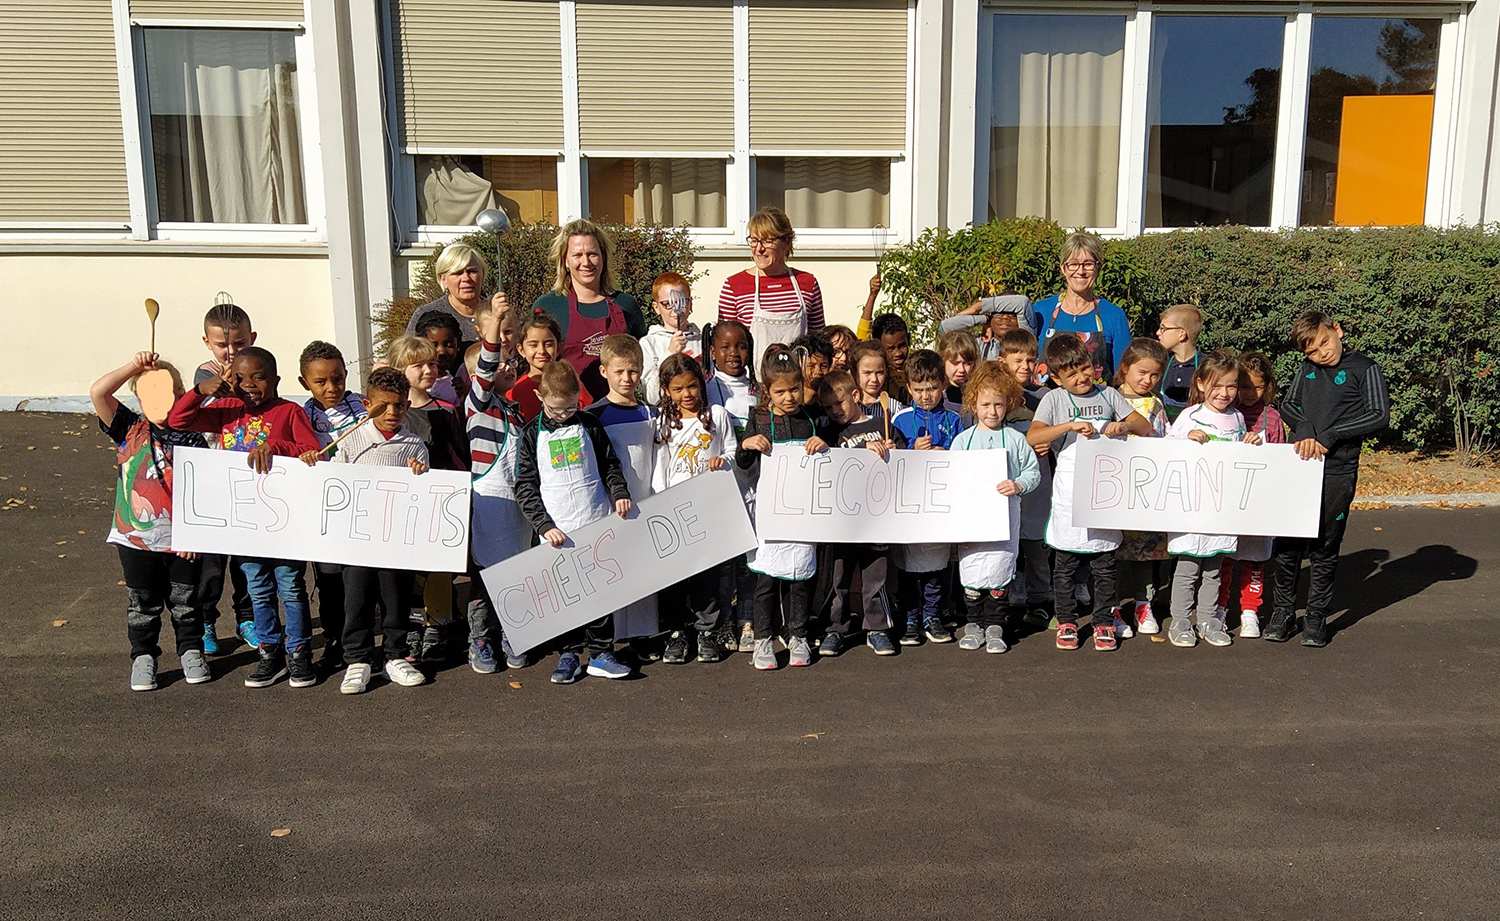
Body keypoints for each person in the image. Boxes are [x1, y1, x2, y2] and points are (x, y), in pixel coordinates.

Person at [167, 346, 322, 686]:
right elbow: (177, 420)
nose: (249, 384)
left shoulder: (289, 412)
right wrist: (200, 391)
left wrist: (277, 448)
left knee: (292, 588)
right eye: (239, 377)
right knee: (258, 589)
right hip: (243, 523)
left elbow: (313, 453)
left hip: (284, 521)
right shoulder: (225, 409)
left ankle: (299, 653)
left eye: (259, 377)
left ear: (276, 380)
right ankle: (270, 652)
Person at [298, 367, 430, 694]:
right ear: (368, 404)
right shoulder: (351, 440)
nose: (391, 413)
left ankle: (395, 655)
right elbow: (333, 485)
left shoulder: (414, 445)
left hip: (394, 541)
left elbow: (423, 491)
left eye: (399, 405)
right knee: (356, 598)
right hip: (357, 541)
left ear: (408, 405)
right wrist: (316, 463)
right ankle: (357, 658)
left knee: (395, 597)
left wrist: (420, 474)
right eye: (382, 406)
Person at [1265, 311, 1389, 648]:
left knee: (1324, 545)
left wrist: (1330, 437)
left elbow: (1378, 414)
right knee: (1288, 544)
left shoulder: (1365, 367)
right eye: (1313, 351)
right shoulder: (1307, 370)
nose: (1322, 353)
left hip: (1337, 468)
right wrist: (1304, 430)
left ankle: (1316, 616)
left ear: (1337, 330)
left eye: (1324, 342)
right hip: (1300, 466)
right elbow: (1289, 404)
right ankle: (1283, 613)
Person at [92, 351, 210, 691]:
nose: (161, 401)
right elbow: (99, 392)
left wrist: (195, 536)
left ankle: (191, 650)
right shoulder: (129, 428)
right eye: (150, 392)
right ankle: (144, 657)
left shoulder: (193, 437)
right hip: (135, 540)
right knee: (143, 603)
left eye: (169, 392)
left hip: (182, 541)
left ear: (180, 394)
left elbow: (204, 491)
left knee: (186, 602)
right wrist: (134, 366)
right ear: (138, 397)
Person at [514, 360, 635, 684]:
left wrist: (619, 492)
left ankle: (601, 653)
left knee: (599, 589)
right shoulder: (529, 435)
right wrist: (543, 525)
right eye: (556, 409)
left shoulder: (590, 424)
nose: (564, 414)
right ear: (540, 396)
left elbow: (610, 464)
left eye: (570, 408)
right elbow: (524, 485)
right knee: (565, 594)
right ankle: (569, 653)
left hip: (593, 517)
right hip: (556, 529)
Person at [1026, 334, 1150, 652]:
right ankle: (1067, 619)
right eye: (1072, 374)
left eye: (1085, 369)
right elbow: (1034, 436)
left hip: (1105, 493)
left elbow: (1143, 426)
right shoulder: (1054, 400)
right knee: (1065, 565)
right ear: (1056, 378)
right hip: (1068, 493)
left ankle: (1103, 621)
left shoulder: (1109, 395)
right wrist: (1067, 426)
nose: (1082, 378)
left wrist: (1121, 426)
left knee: (1104, 564)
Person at [1164, 350, 1265, 648]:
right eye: (1217, 386)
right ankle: (1181, 620)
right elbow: (1168, 451)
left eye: (1231, 386)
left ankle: (1209, 620)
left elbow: (1239, 459)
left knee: (1214, 570)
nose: (1224, 393)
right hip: (1193, 509)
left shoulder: (1236, 418)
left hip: (1222, 509)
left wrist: (1251, 442)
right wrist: (1186, 439)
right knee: (1188, 569)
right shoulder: (1190, 416)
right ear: (1202, 383)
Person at [736, 346, 829, 670]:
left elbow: (828, 460)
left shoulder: (811, 419)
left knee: (800, 578)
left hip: (803, 516)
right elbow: (744, 461)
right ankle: (764, 638)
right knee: (767, 580)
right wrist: (747, 444)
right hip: (771, 515)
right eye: (780, 391)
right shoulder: (758, 419)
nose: (789, 397)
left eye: (794, 389)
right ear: (767, 391)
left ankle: (798, 634)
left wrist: (823, 444)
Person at [653, 353, 738, 664]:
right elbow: (660, 466)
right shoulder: (663, 422)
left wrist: (723, 461)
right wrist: (661, 503)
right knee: (676, 575)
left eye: (691, 387)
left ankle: (706, 631)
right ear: (666, 390)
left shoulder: (717, 415)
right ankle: (676, 631)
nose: (687, 394)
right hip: (674, 509)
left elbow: (730, 447)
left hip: (707, 508)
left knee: (706, 574)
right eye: (678, 389)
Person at [952, 363, 1042, 654]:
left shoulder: (1016, 440)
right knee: (973, 574)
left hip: (1004, 520)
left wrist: (1017, 485)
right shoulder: (962, 442)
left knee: (999, 571)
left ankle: (995, 625)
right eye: (986, 405)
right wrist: (956, 528)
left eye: (999, 405)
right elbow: (951, 483)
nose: (992, 412)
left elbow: (1032, 472)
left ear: (1009, 405)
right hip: (972, 522)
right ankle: (974, 624)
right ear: (973, 404)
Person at [815, 370, 904, 658]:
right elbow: (825, 460)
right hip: (843, 521)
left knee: (876, 574)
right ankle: (834, 629)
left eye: (838, 403)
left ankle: (877, 628)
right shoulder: (830, 433)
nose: (834, 411)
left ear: (855, 396)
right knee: (838, 575)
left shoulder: (882, 424)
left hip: (878, 518)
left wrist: (896, 449)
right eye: (828, 407)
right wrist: (822, 446)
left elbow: (906, 458)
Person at [463, 301, 530, 673]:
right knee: (486, 578)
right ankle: (480, 639)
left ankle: (514, 632)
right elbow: (487, 368)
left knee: (516, 574)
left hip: (517, 505)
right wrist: (496, 326)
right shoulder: (479, 405)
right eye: (498, 363)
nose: (506, 366)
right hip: (490, 501)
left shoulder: (514, 411)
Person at [586, 335, 659, 650]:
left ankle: (641, 634)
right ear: (604, 372)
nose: (627, 379)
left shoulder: (649, 413)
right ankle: (610, 638)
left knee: (643, 568)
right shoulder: (593, 416)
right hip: (610, 504)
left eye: (633, 371)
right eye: (619, 372)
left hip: (645, 498)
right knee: (614, 570)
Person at [194, 298, 258, 654]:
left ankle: (247, 618)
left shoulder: (257, 368)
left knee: (247, 561)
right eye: (223, 344)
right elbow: (215, 395)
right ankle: (205, 621)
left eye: (240, 343)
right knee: (212, 565)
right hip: (215, 478)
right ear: (207, 343)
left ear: (252, 338)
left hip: (249, 479)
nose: (232, 351)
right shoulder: (206, 373)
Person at [297, 340, 366, 671]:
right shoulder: (302, 416)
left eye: (337, 378)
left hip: (358, 505)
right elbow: (292, 449)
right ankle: (334, 639)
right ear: (304, 384)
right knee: (328, 581)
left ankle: (358, 644)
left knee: (358, 581)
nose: (331, 388)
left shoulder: (362, 408)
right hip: (322, 511)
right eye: (320, 382)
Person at [890, 350, 964, 647]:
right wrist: (911, 451)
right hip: (911, 504)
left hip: (940, 504)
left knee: (938, 561)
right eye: (918, 389)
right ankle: (910, 617)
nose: (925, 395)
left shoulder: (954, 419)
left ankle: (933, 614)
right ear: (908, 388)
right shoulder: (900, 418)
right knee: (910, 564)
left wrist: (947, 454)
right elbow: (891, 460)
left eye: (931, 388)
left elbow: (963, 457)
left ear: (942, 385)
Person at [531, 220, 647, 402]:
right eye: (577, 255)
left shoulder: (626, 304)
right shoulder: (549, 306)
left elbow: (644, 361)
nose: (585, 262)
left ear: (603, 257)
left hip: (620, 414)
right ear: (565, 261)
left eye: (592, 254)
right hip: (569, 415)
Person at [1217, 351, 1286, 639]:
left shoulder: (1272, 417)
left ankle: (1250, 612)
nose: (1249, 393)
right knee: (1223, 560)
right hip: (1225, 501)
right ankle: (1218, 610)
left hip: (1258, 503)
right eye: (1243, 386)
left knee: (1255, 562)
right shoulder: (1223, 414)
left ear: (1267, 386)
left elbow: (1281, 459)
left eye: (1257, 387)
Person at [704, 320, 759, 653]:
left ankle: (747, 619)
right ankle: (724, 620)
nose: (734, 353)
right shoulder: (706, 389)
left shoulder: (760, 390)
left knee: (749, 560)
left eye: (740, 346)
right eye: (725, 347)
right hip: (720, 492)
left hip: (754, 488)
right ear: (712, 351)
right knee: (724, 563)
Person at [1111, 339, 1171, 637]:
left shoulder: (1157, 403)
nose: (1147, 380)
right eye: (1142, 372)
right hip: (1113, 487)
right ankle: (1112, 606)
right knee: (1112, 547)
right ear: (1125, 369)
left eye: (1155, 375)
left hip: (1146, 487)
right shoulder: (1108, 398)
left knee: (1145, 550)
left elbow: (1165, 441)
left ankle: (1142, 602)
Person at [997, 328, 1053, 627]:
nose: (1025, 366)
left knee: (1036, 549)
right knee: (1005, 546)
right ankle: (1000, 600)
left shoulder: (1043, 398)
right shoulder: (992, 399)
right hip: (1002, 486)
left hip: (1036, 487)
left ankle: (1041, 600)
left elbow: (1054, 436)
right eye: (1017, 359)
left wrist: (1046, 441)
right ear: (1001, 359)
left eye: (1031, 360)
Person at [717, 205, 826, 348]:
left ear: (786, 242)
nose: (759, 249)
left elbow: (818, 342)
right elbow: (725, 344)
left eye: (767, 241)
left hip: (799, 370)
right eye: (754, 240)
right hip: (752, 370)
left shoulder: (807, 283)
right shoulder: (734, 286)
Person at [1032, 232, 1132, 384]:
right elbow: (1019, 356)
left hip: (1096, 405)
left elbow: (1124, 375)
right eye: (1073, 264)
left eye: (1088, 264)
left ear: (1098, 268)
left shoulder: (1113, 315)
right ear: (1063, 268)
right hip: (1042, 404)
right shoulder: (1041, 311)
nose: (1081, 271)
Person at [404, 243, 506, 344]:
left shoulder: (497, 311)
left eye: (472, 271)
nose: (466, 278)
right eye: (457, 273)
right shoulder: (427, 314)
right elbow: (407, 354)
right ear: (443, 279)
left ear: (482, 274)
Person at [640, 271, 704, 406]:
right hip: (667, 420)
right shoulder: (649, 344)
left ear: (690, 303)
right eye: (667, 304)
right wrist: (669, 353)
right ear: (656, 307)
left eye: (682, 302)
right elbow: (651, 397)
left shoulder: (702, 340)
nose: (676, 310)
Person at [509, 309, 573, 423]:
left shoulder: (570, 382)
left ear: (558, 348)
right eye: (533, 345)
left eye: (548, 344)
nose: (542, 351)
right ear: (521, 349)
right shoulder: (515, 391)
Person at [940, 293, 1036, 362]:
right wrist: (985, 319)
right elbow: (945, 327)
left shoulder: (1027, 338)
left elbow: (1023, 303)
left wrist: (978, 306)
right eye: (998, 313)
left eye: (1012, 314)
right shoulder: (981, 343)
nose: (1005, 317)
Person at [1156, 304, 1202, 420]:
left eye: (1163, 328)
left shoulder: (1207, 366)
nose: (1158, 333)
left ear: (1182, 334)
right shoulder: (1160, 364)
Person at [414, 309, 466, 406]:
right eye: (434, 345)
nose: (441, 351)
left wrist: (463, 396)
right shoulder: (411, 383)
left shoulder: (455, 386)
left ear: (458, 345)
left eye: (449, 345)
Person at [869, 313, 910, 403]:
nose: (898, 353)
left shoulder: (916, 370)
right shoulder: (877, 375)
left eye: (902, 346)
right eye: (890, 348)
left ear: (908, 339)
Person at [849, 339, 897, 414]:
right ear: (854, 372)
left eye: (879, 373)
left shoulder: (893, 408)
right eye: (867, 373)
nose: (874, 379)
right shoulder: (848, 406)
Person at [937, 329, 979, 410]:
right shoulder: (936, 393)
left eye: (968, 363)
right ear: (943, 360)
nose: (962, 369)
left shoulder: (978, 391)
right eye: (955, 363)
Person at [790, 331, 833, 406]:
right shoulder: (790, 406)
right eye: (811, 365)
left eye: (823, 365)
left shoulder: (832, 406)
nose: (818, 371)